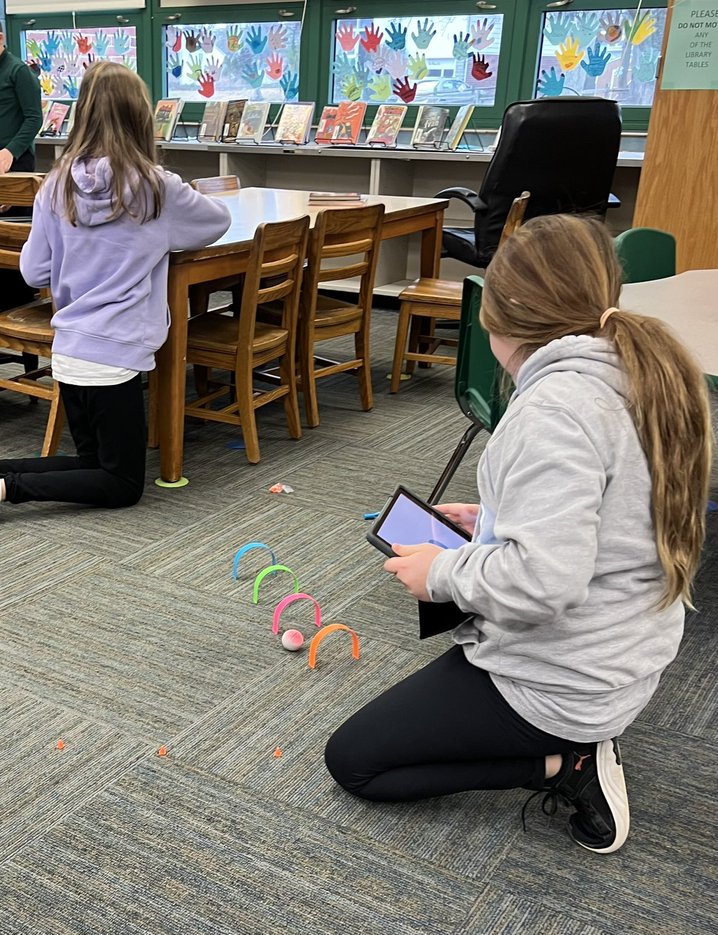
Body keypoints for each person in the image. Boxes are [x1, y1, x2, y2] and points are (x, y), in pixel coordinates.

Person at [325, 215, 712, 855]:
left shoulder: (553, 412)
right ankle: (574, 738)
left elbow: (543, 582)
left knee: (357, 763)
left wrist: (439, 575)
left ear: (498, 321)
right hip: (621, 651)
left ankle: (568, 764)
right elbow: (610, 516)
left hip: (562, 679)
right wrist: (497, 520)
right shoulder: (639, 371)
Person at [0, 60, 231, 511]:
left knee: (92, 461)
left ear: (81, 113)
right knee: (122, 485)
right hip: (117, 356)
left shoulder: (54, 186)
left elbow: (33, 273)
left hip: (68, 351)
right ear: (140, 117)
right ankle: (10, 489)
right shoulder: (156, 188)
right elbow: (216, 222)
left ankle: (5, 477)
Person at [0, 20, 43, 318]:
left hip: (15, 163)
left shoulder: (18, 71)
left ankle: (17, 305)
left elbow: (33, 118)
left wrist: (9, 151)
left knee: (15, 236)